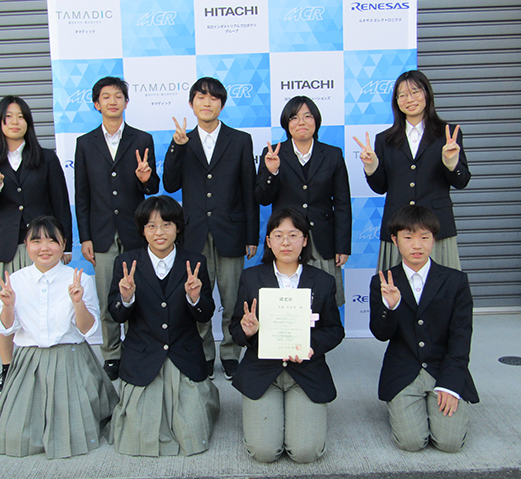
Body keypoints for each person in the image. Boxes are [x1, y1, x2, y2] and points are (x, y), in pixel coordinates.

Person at [0, 216, 119, 459]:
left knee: (74, 431)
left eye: (52, 241)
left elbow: (88, 330)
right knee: (15, 435)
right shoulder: (16, 280)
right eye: (36, 241)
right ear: (26, 244)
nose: (44, 248)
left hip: (71, 359)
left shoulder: (79, 279)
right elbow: (5, 328)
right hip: (29, 363)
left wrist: (78, 303)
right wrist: (8, 306)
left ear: (63, 244)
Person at [0, 96, 72, 393]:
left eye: (21, 116)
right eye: (9, 117)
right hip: (4, 248)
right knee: (5, 312)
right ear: (0, 123)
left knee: (41, 309)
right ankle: (7, 368)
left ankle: (41, 368)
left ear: (28, 122)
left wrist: (65, 245)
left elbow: (60, 203)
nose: (15, 122)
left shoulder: (46, 159)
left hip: (40, 249)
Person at [229, 208, 344, 463]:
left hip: (306, 371)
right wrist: (247, 331)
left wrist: (311, 345)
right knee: (264, 452)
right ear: (268, 241)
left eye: (293, 235)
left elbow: (335, 330)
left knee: (305, 452)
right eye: (278, 235)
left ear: (305, 240)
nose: (286, 242)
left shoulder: (322, 281)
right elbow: (235, 328)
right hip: (262, 371)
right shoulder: (251, 277)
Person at [108, 196, 220, 456]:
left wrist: (195, 298)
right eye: (151, 226)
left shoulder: (196, 262)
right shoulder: (126, 263)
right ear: (142, 230)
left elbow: (205, 315)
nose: (159, 232)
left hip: (184, 355)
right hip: (143, 357)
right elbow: (116, 315)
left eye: (166, 224)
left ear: (178, 227)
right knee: (137, 434)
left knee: (194, 430)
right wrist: (126, 298)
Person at [163, 77, 259, 380]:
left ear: (222, 104)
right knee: (198, 298)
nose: (207, 103)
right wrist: (177, 148)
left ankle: (231, 353)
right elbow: (170, 184)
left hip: (231, 232)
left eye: (213, 98)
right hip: (193, 234)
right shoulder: (182, 140)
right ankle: (204, 354)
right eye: (201, 97)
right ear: (192, 104)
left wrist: (252, 235)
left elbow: (249, 190)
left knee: (232, 300)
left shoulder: (240, 140)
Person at [369, 205, 479, 452]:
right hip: (403, 370)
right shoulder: (383, 281)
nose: (416, 245)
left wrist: (451, 384)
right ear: (395, 240)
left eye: (424, 237)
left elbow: (461, 336)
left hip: (443, 368)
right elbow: (380, 333)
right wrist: (391, 306)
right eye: (408, 237)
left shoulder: (455, 281)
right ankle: (402, 404)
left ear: (434, 239)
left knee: (449, 442)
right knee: (411, 442)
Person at [75, 76, 160, 381]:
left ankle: (139, 347)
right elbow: (81, 195)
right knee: (107, 298)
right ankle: (111, 353)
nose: (113, 101)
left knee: (140, 295)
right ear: (96, 104)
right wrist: (85, 236)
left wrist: (145, 178)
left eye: (118, 96)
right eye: (106, 97)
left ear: (126, 102)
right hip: (100, 234)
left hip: (134, 231)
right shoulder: (85, 143)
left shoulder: (142, 139)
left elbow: (153, 187)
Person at [353, 69, 471, 272]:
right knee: (395, 287)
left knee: (441, 286)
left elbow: (462, 181)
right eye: (402, 95)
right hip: (399, 229)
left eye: (415, 92)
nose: (409, 99)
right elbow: (380, 187)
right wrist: (371, 166)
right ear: (396, 101)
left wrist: (451, 163)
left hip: (436, 229)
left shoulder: (448, 134)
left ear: (427, 94)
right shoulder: (385, 139)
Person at [256, 96, 351, 307]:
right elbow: (263, 198)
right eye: (294, 117)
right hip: (287, 238)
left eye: (308, 116)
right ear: (286, 123)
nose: (301, 122)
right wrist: (272, 172)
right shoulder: (273, 153)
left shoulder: (333, 154)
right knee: (287, 301)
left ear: (316, 121)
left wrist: (343, 246)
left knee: (324, 300)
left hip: (322, 239)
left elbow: (342, 204)